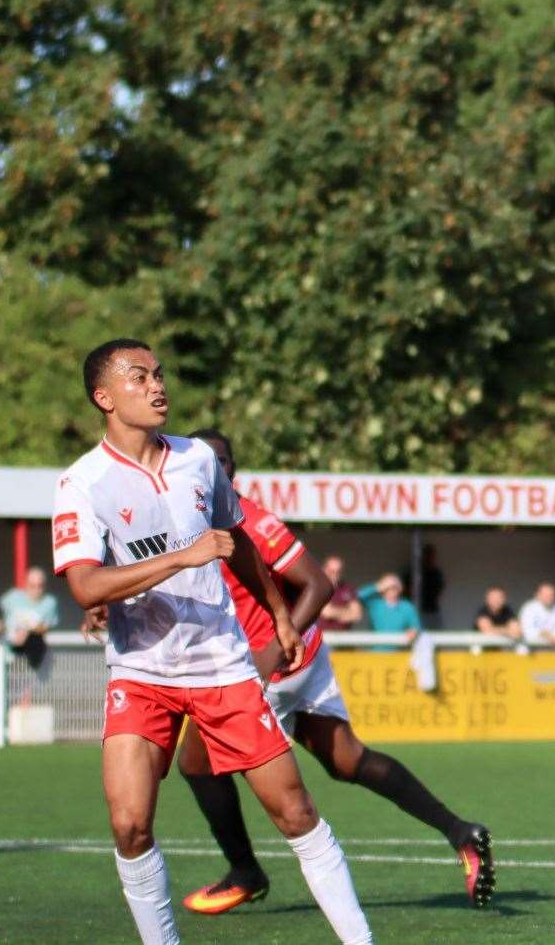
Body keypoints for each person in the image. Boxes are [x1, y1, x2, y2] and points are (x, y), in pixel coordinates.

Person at [51, 339, 370, 944]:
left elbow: (238, 538)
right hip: (140, 672)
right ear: (104, 397)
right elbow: (86, 585)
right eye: (139, 377)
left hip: (222, 668)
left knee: (295, 813)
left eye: (159, 374)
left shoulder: (197, 458)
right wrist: (181, 558)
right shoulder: (81, 483)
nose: (156, 386)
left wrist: (278, 611)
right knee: (130, 826)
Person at [174, 428, 492, 914]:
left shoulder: (251, 521)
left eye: (223, 461)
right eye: (205, 462)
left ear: (234, 470)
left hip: (275, 667)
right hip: (301, 657)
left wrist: (273, 652)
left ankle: (245, 872)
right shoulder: (188, 524)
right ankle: (461, 832)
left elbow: (318, 585)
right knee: (348, 761)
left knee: (195, 764)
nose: (217, 470)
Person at [0, 565, 60, 673]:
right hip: (5, 655)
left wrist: (27, 631)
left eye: (40, 586)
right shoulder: (12, 597)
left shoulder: (50, 602)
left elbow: (46, 627)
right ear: (26, 584)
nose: (36, 589)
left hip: (29, 659)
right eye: (33, 585)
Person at [357, 573, 418, 645]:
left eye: (394, 587)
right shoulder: (375, 604)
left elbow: (415, 626)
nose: (391, 590)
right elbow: (357, 596)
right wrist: (377, 587)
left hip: (398, 652)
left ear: (400, 588)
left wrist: (413, 631)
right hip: (376, 651)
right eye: (388, 587)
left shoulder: (407, 607)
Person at [316, 555, 364, 631]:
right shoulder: (316, 587)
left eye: (338, 572)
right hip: (322, 636)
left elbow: (357, 615)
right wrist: (347, 612)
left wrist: (334, 612)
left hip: (343, 637)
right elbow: (326, 612)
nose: (335, 575)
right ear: (324, 569)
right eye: (331, 571)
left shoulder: (348, 588)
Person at [517, 582, 555, 648]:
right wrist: (543, 634)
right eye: (545, 595)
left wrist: (552, 636)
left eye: (551, 595)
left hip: (551, 649)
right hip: (530, 651)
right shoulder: (529, 607)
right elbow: (526, 630)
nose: (549, 597)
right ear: (538, 595)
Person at [415, 542, 445, 628]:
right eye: (427, 555)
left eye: (432, 556)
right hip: (419, 610)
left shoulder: (436, 573)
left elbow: (441, 588)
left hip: (433, 609)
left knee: (438, 635)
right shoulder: (415, 572)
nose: (430, 558)